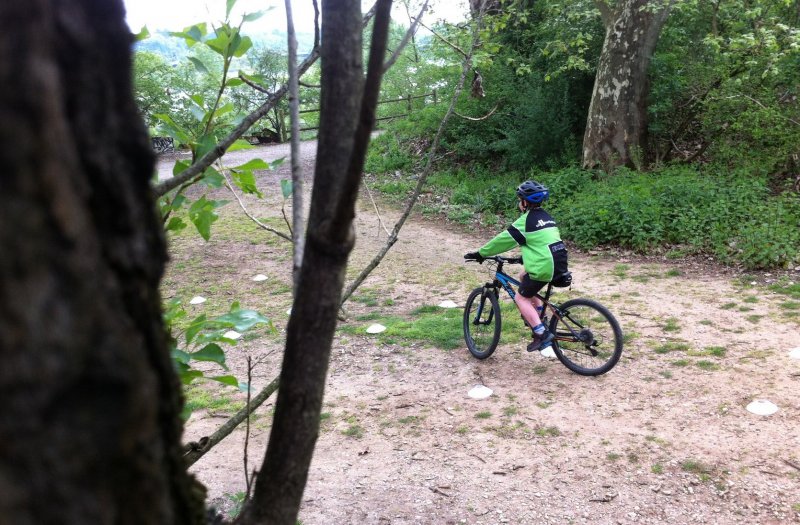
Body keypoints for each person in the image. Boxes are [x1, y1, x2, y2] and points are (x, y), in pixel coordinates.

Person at [465, 180, 569, 352]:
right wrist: (525, 258)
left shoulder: (526, 221)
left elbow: (503, 241)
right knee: (523, 277)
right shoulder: (547, 218)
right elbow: (542, 242)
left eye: (520, 199)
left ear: (525, 202)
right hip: (558, 261)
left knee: (521, 298)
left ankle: (541, 333)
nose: (519, 202)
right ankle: (541, 314)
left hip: (544, 266)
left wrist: (481, 253)